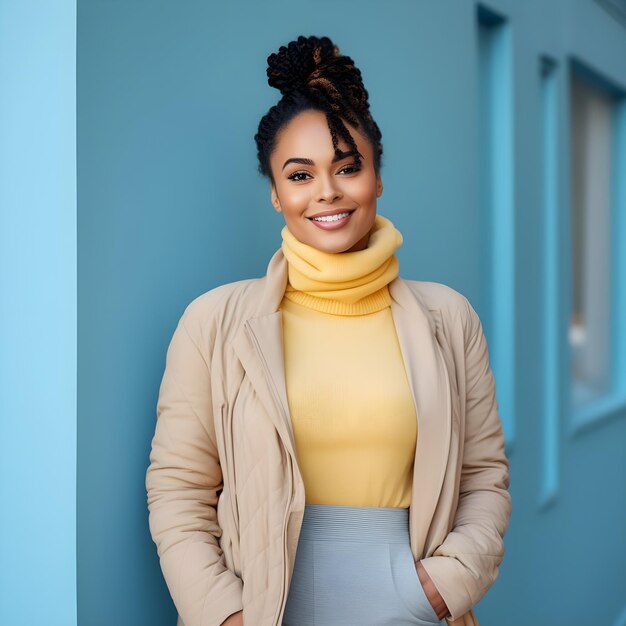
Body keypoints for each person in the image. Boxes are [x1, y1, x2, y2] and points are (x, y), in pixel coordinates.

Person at [145, 35, 512, 626]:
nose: (327, 192)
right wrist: (226, 616)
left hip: (414, 606)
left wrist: (436, 590)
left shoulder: (449, 319)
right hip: (264, 608)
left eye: (348, 167)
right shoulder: (212, 323)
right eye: (300, 174)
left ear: (377, 179)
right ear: (275, 192)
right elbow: (179, 493)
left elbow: (483, 478)